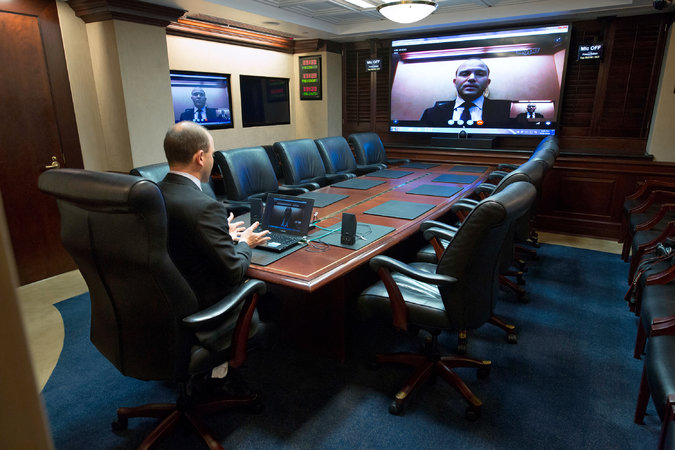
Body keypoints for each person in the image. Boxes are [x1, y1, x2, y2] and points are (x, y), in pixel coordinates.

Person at [159, 121, 269, 309]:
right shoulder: (206, 208)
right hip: (209, 305)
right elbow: (234, 272)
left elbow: (180, 240)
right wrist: (245, 242)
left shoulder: (153, 193)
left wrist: (221, 233)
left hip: (168, 303)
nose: (213, 161)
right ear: (200, 157)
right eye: (212, 153)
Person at [420, 58, 511, 126]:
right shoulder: (431, 114)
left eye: (479, 74)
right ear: (455, 82)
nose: (471, 78)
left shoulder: (506, 112)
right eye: (464, 74)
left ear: (487, 83)